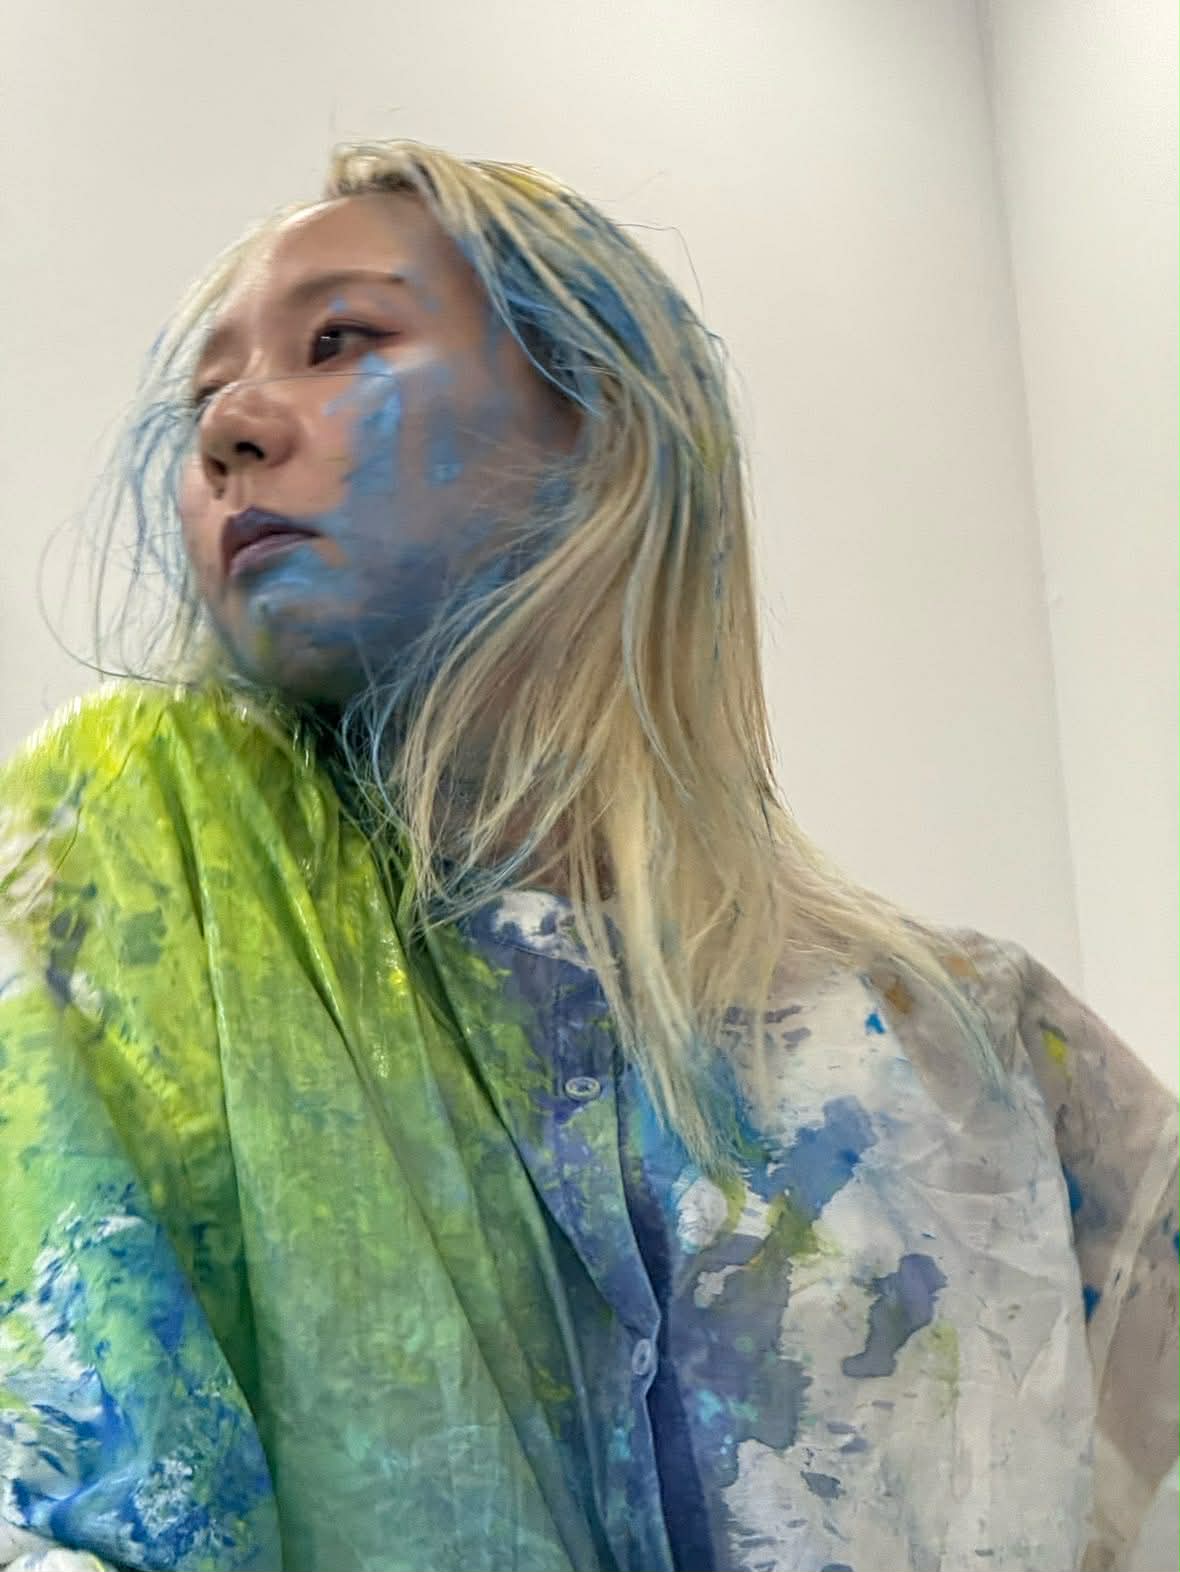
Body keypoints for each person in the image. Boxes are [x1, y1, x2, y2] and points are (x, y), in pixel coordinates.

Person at [0, 139, 1175, 1572]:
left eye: (341, 340)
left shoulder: (972, 1047)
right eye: (202, 401)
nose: (229, 429)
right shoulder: (136, 875)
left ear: (599, 416)